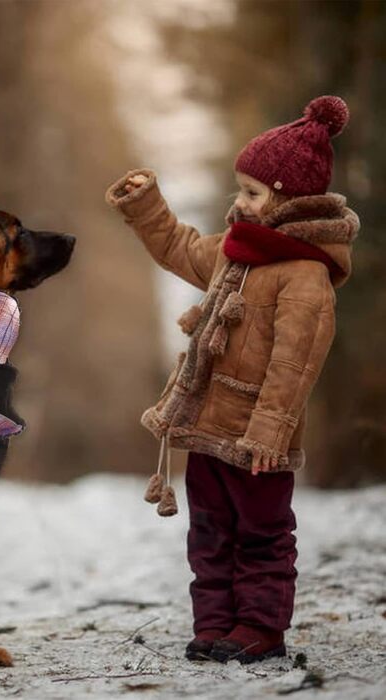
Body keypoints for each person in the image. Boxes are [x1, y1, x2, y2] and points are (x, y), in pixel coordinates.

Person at [105, 96, 359, 664]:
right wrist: (147, 206)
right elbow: (180, 248)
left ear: (289, 199)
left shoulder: (304, 275)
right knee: (211, 533)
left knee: (263, 535)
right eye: (239, 189)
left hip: (257, 439)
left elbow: (295, 365)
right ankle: (216, 624)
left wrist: (270, 433)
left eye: (251, 192)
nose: (237, 201)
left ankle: (260, 628)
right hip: (208, 426)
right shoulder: (237, 254)